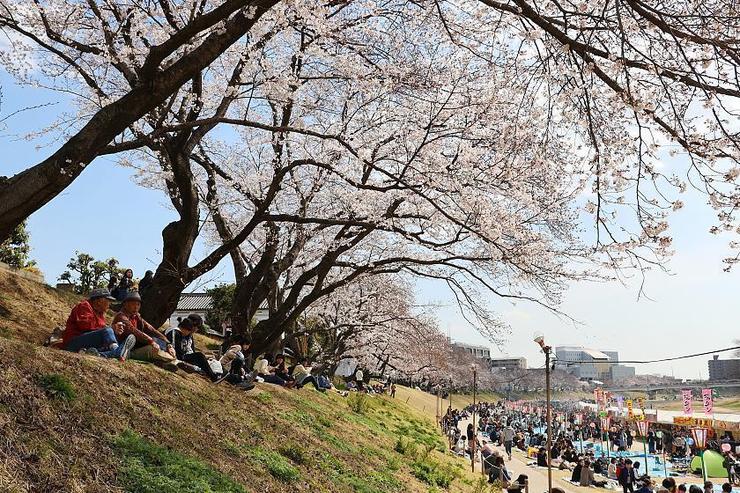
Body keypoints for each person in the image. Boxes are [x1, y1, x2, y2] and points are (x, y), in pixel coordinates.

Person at [62, 288, 136, 360]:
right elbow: (85, 326)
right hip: (73, 343)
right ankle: (117, 351)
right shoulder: (84, 306)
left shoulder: (100, 313)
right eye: (108, 301)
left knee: (119, 336)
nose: (110, 304)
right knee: (108, 330)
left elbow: (98, 329)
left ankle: (102, 354)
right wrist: (111, 328)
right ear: (99, 301)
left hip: (85, 344)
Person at [112, 291, 175, 365]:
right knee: (152, 349)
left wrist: (168, 344)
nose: (136, 307)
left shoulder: (136, 316)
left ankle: (168, 361)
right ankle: (174, 361)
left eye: (138, 305)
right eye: (133, 304)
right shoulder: (121, 317)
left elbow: (151, 329)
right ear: (125, 305)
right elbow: (134, 331)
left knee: (158, 342)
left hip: (136, 346)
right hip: (126, 349)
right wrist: (151, 341)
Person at [164, 317, 222, 382]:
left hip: (182, 355)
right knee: (199, 356)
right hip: (176, 355)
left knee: (204, 359)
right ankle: (213, 377)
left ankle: (217, 374)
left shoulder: (185, 335)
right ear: (187, 329)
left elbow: (190, 350)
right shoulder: (175, 332)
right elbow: (173, 347)